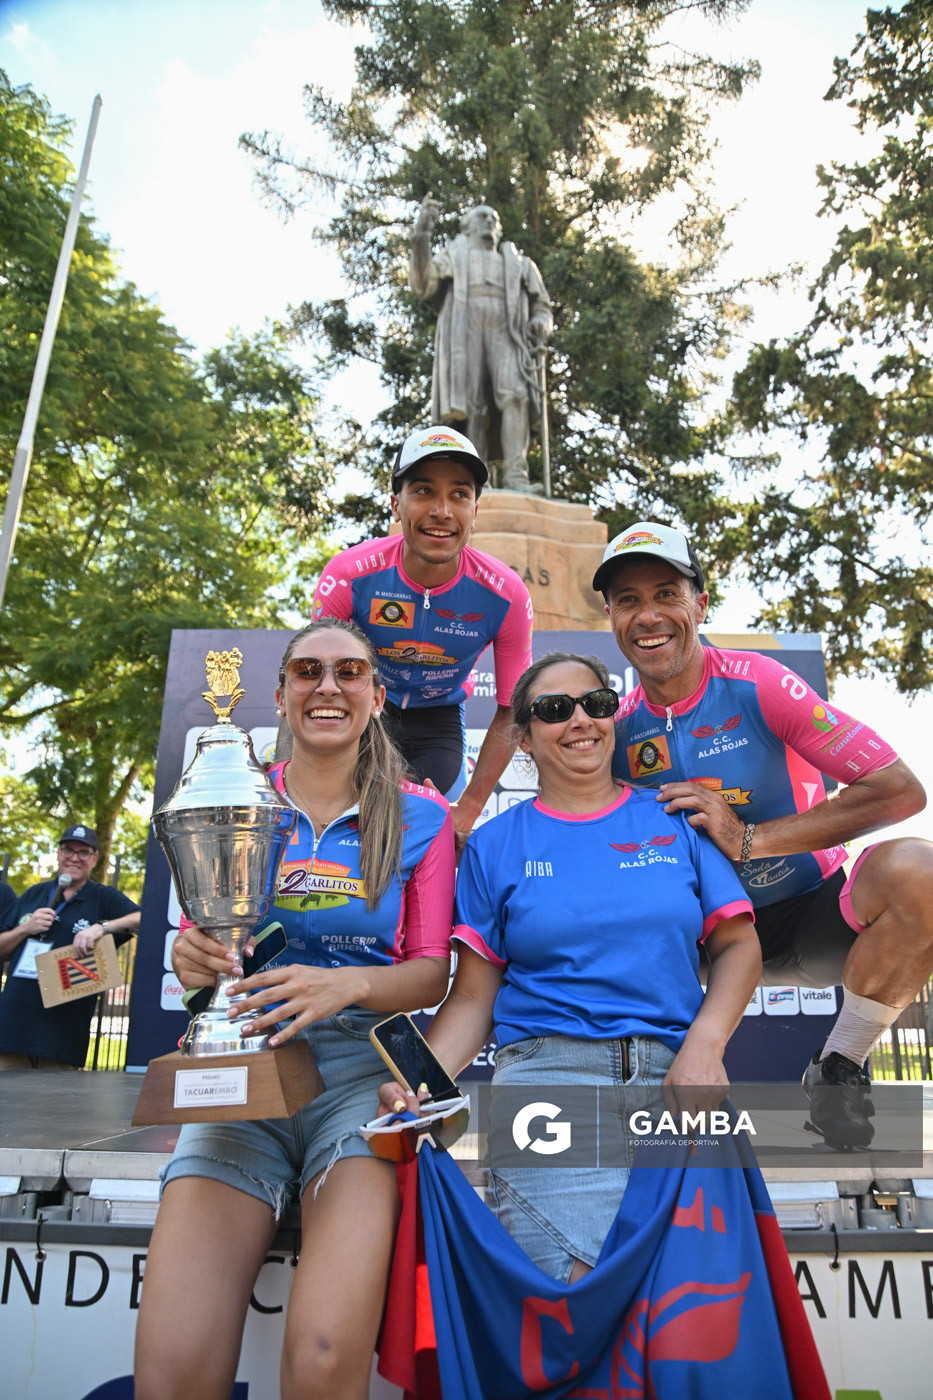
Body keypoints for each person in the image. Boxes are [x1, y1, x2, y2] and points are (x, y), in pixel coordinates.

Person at [134, 619, 455, 1400]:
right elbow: (203, 946)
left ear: (377, 697)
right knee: (172, 1373)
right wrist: (193, 958)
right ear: (279, 696)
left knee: (320, 1361)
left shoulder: (422, 818)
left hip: (357, 1080)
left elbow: (429, 974)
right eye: (307, 671)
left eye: (349, 673)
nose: (327, 687)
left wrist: (343, 985)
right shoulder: (231, 798)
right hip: (242, 1073)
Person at [382, 651, 760, 1283]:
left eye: (597, 703)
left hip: (676, 1080)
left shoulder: (675, 818)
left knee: (682, 1305)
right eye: (555, 710)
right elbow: (475, 997)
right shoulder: (495, 846)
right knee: (570, 1297)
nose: (581, 720)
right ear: (523, 738)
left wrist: (706, 1046)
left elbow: (739, 945)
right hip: (550, 1088)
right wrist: (423, 1083)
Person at [593, 519, 933, 1150]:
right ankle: (618, 1098)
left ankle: (841, 1066)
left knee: (922, 872)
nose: (649, 616)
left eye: (667, 594)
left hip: (811, 913)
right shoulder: (615, 727)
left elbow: (900, 789)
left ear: (699, 603)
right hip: (703, 941)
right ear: (610, 617)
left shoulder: (760, 683)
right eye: (629, 601)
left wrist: (749, 840)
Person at [311, 424, 533, 842]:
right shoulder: (348, 576)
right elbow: (308, 685)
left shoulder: (505, 595)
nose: (442, 511)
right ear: (396, 504)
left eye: (460, 495)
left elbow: (512, 709)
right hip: (364, 713)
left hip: (437, 723)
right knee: (348, 818)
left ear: (475, 512)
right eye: (424, 491)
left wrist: (468, 808)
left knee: (413, 824)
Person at [410, 197, 553, 492]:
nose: (490, 222)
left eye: (495, 219)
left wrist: (541, 322)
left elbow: (542, 306)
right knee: (473, 404)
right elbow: (423, 283)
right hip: (464, 329)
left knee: (515, 395)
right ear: (467, 226)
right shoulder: (453, 255)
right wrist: (421, 235)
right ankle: (477, 478)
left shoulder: (520, 264)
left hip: (508, 331)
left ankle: (517, 476)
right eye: (482, 217)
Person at [0, 825, 139, 1070]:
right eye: (68, 850)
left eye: (83, 852)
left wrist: (102, 928)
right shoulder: (34, 893)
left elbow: (145, 918)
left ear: (94, 859)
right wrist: (25, 928)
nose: (74, 857)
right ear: (58, 853)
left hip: (62, 1036)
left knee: (53, 1107)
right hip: (12, 1030)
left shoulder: (103, 897)